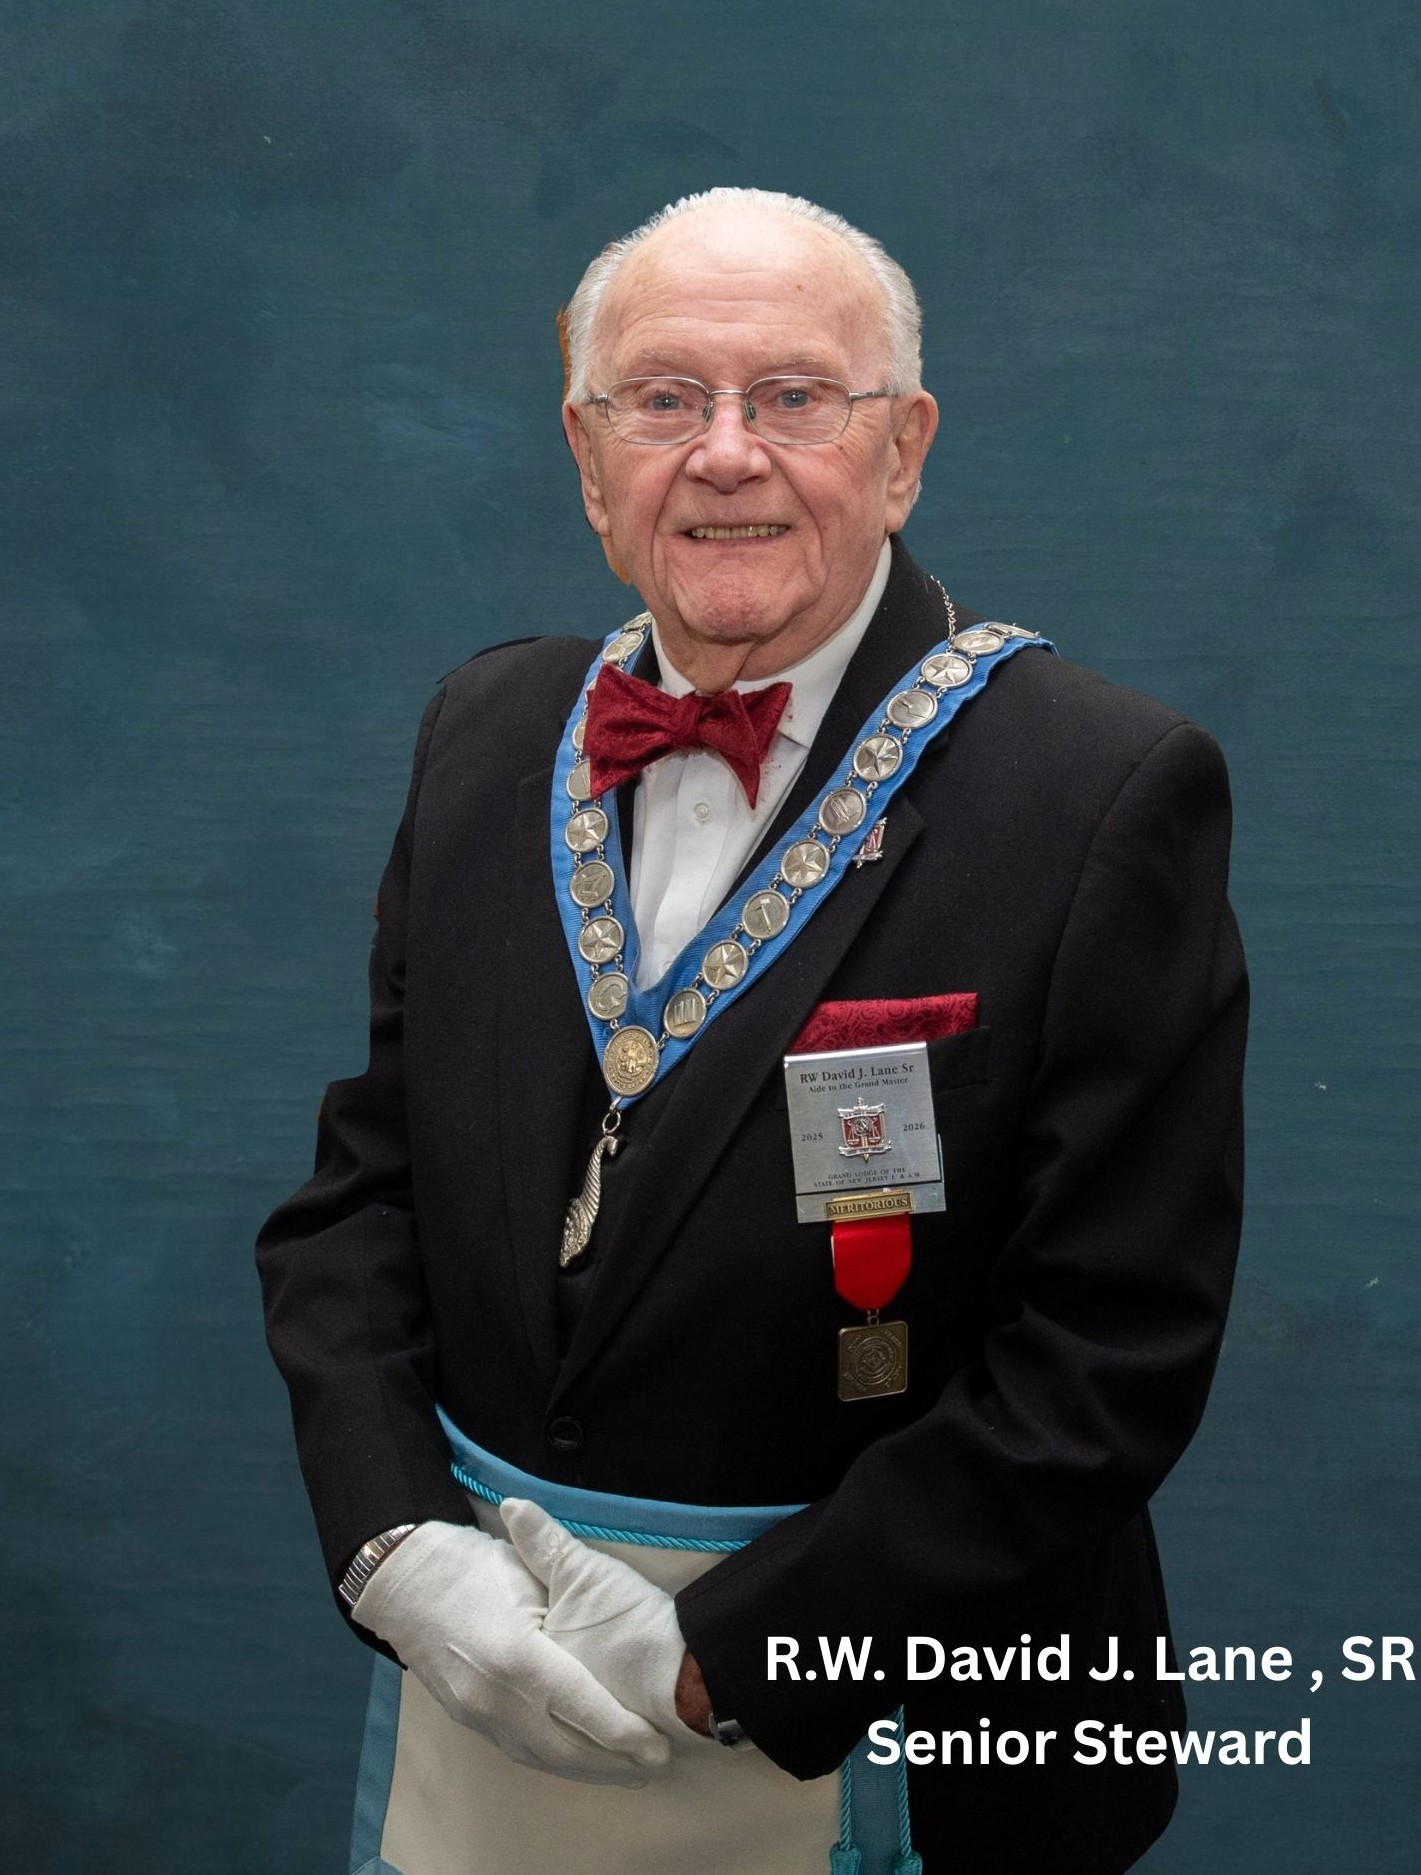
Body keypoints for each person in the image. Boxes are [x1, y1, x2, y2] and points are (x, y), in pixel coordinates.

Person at [257, 187, 1247, 1875]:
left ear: (902, 448)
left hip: (901, 1720)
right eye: (663, 399)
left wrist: (743, 1656)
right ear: (588, 457)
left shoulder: (1101, 793)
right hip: (489, 1685)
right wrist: (394, 1546)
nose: (725, 454)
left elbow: (1108, 1355)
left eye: (793, 397)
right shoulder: (484, 728)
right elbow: (360, 1203)